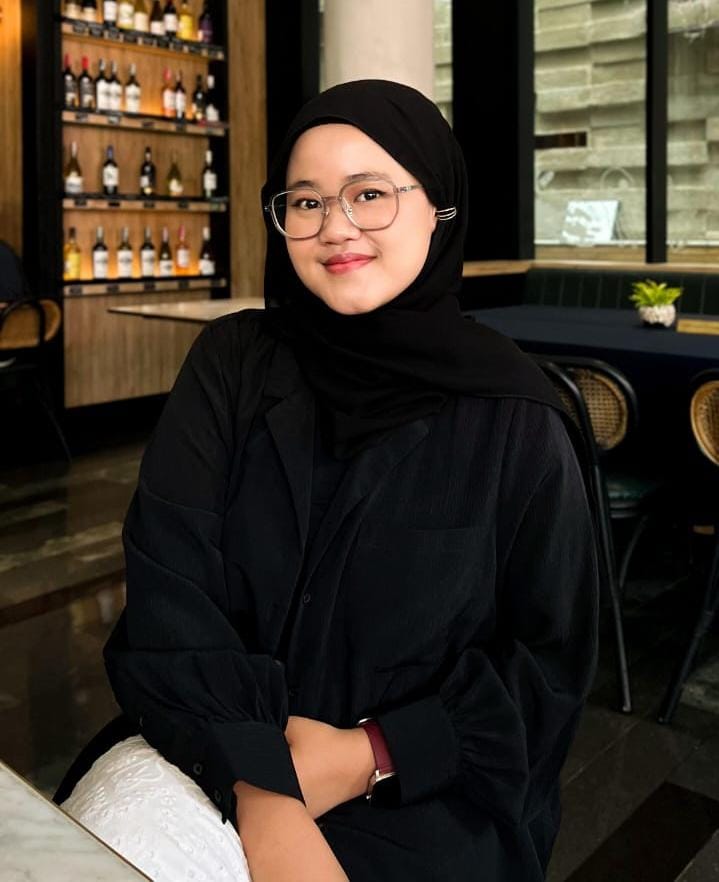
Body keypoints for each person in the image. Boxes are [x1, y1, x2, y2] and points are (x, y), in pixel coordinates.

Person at [55, 79, 599, 881]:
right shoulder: (234, 367)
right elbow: (171, 596)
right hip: (205, 746)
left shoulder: (516, 418)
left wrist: (368, 752)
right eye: (305, 202)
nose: (335, 226)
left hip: (425, 796)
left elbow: (547, 667)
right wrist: (265, 792)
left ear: (438, 207)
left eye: (369, 194)